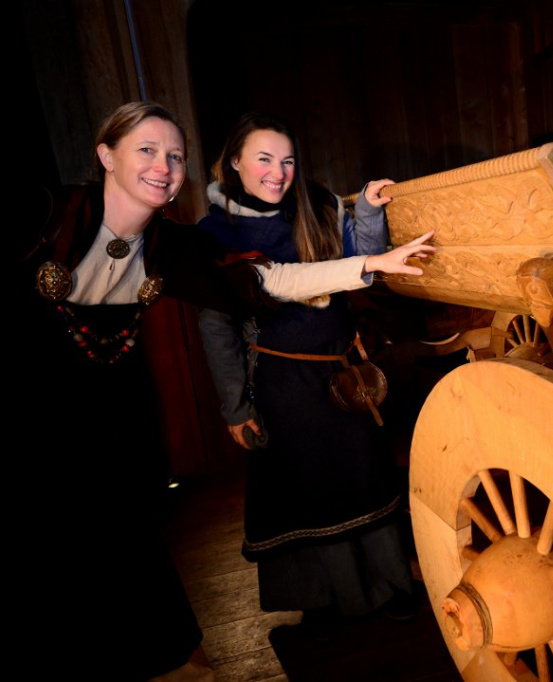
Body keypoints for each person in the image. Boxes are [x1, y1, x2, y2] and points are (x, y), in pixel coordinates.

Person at [16, 101, 433, 681]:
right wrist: (237, 401)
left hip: (109, 418)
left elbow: (266, 281)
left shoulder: (175, 246)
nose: (163, 166)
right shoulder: (45, 213)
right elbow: (225, 324)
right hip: (34, 415)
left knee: (125, 546)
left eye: (174, 156)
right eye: (146, 150)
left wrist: (371, 260)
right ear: (104, 155)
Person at [195, 112, 428, 637]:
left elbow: (364, 262)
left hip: (344, 374)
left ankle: (390, 585)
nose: (278, 173)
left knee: (367, 479)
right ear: (234, 162)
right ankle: (323, 596)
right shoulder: (215, 233)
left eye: (287, 161)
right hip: (281, 384)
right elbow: (217, 327)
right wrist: (235, 405)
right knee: (306, 489)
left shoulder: (317, 204)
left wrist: (366, 209)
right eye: (263, 159)